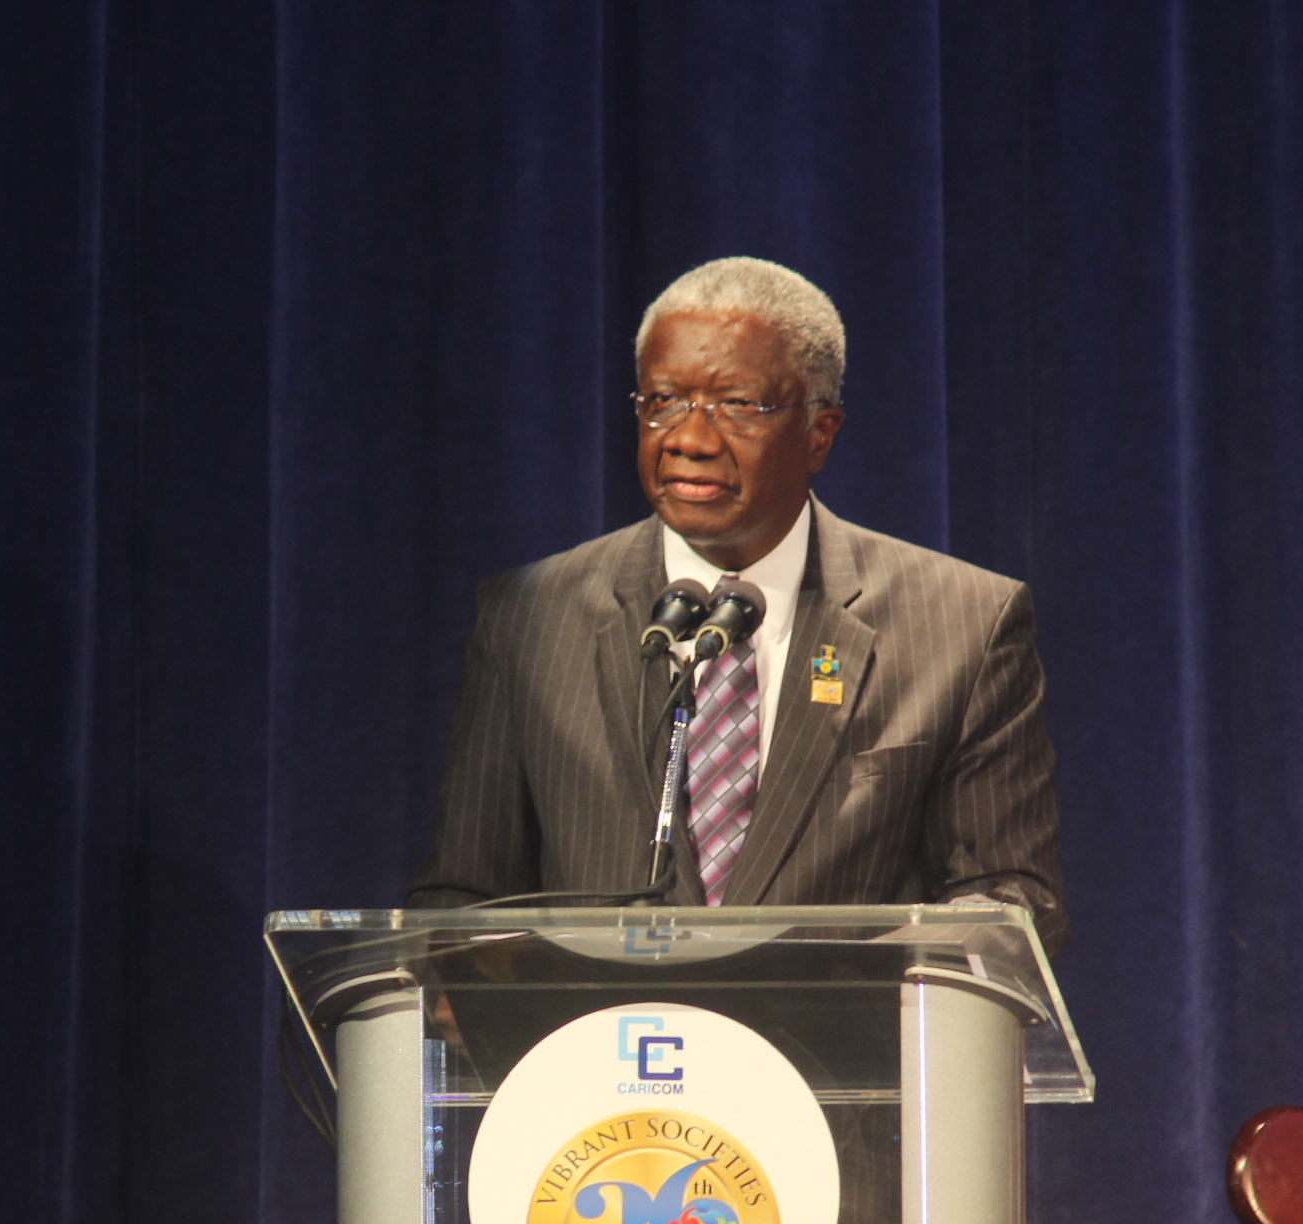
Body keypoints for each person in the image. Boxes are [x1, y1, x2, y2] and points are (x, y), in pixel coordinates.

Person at [408, 257, 1068, 952]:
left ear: (819, 433)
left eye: (738, 405)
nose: (688, 440)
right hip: (605, 1023)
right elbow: (463, 897)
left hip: (845, 1023)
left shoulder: (962, 626)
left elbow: (1010, 895)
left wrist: (866, 985)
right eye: (664, 401)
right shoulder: (529, 619)